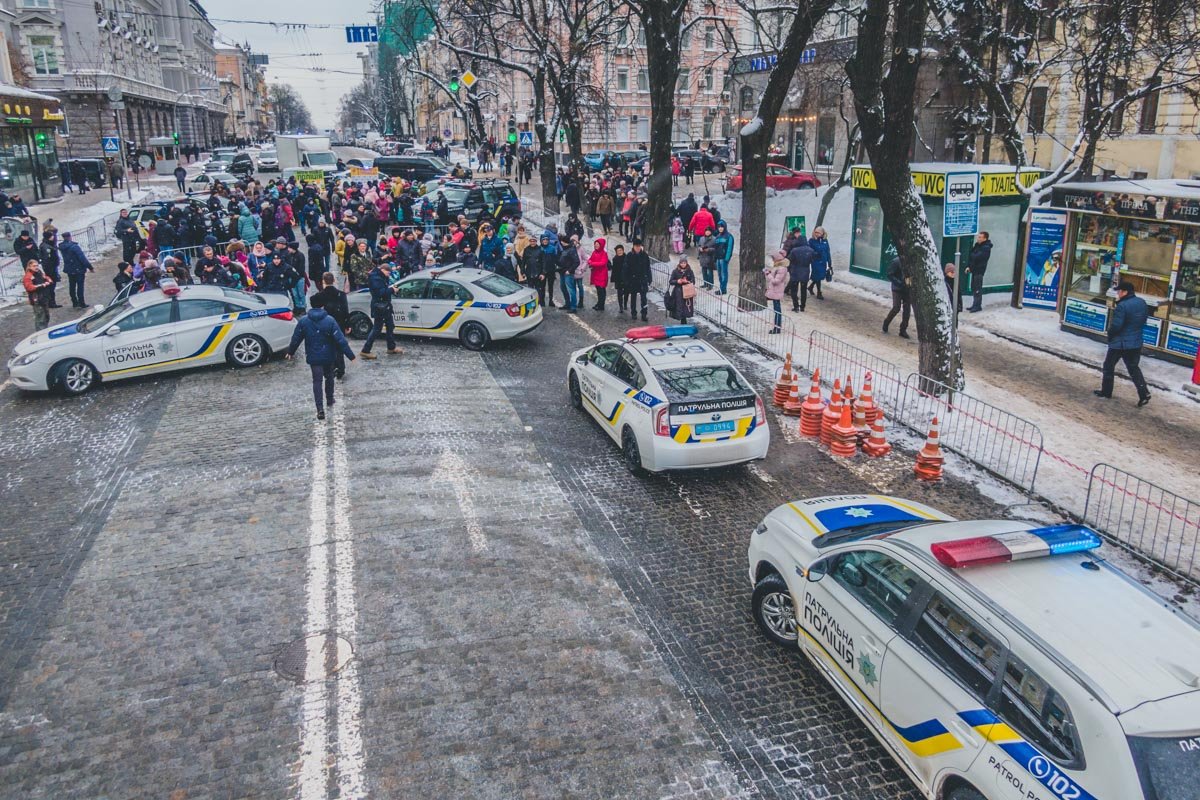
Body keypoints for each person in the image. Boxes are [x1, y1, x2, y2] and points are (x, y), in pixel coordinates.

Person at [286, 294, 356, 420]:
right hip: (328, 355)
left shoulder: (304, 321)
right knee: (329, 377)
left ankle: (319, 409)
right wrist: (350, 355)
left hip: (314, 356)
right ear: (322, 305)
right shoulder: (330, 320)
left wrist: (291, 351)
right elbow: (340, 340)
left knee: (317, 381)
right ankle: (330, 399)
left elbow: (296, 338)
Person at [1095, 280, 1151, 407]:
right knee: (1133, 368)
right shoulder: (1141, 302)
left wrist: (1110, 334)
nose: (1118, 294)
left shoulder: (1122, 306)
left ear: (1125, 292)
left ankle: (1106, 392)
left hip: (1120, 343)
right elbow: (1143, 320)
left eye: (1119, 291)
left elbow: (1116, 325)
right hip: (1136, 342)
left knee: (1108, 366)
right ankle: (1144, 393)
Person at [360, 261, 403, 359]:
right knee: (376, 329)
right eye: (388, 273)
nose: (389, 275)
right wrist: (392, 290)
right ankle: (365, 350)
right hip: (379, 307)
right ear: (383, 270)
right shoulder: (375, 278)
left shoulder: (380, 277)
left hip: (385, 306)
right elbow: (380, 293)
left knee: (390, 326)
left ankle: (391, 347)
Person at [59, 231, 93, 308]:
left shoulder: (62, 247)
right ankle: (81, 302)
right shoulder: (74, 247)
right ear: (70, 237)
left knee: (72, 286)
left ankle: (74, 302)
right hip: (78, 269)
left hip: (69, 269)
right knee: (80, 286)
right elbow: (82, 258)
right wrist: (90, 267)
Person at [882, 253, 912, 339]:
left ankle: (903, 330)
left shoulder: (912, 263)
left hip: (907, 289)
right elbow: (889, 274)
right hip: (897, 289)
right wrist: (899, 283)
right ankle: (886, 322)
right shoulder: (896, 261)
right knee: (896, 307)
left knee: (907, 310)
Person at [764, 250, 790, 334]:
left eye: (773, 259)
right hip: (775, 291)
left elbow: (776, 281)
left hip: (777, 291)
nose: (772, 260)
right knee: (776, 310)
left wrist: (768, 274)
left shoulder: (782, 268)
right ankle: (776, 327)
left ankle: (777, 328)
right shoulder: (778, 267)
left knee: (777, 311)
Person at [625, 238, 651, 322]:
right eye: (636, 246)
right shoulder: (629, 255)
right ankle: (633, 313)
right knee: (633, 297)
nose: (638, 248)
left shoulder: (645, 255)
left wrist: (649, 278)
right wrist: (627, 280)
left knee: (644, 298)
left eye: (639, 246)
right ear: (633, 246)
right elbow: (625, 269)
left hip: (643, 280)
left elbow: (648, 268)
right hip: (633, 280)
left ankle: (644, 314)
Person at [786, 235, 814, 312]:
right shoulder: (810, 250)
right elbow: (812, 260)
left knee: (794, 290)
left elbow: (789, 260)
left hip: (795, 272)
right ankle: (802, 306)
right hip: (805, 272)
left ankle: (796, 306)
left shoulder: (794, 250)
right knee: (803, 290)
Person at [22, 259, 52, 330]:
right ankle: (40, 333)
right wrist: (42, 285)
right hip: (36, 299)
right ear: (29, 266)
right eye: (34, 266)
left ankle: (44, 331)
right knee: (40, 319)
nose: (36, 267)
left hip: (44, 298)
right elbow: (29, 287)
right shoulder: (28, 276)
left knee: (46, 316)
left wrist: (48, 281)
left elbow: (47, 278)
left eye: (37, 265)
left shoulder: (39, 272)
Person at [966, 231, 992, 312]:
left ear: (985, 238)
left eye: (980, 237)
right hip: (974, 270)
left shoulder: (986, 247)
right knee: (974, 287)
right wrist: (969, 266)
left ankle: (977, 306)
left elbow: (977, 257)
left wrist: (973, 256)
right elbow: (971, 256)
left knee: (977, 288)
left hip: (979, 270)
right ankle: (975, 304)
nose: (978, 238)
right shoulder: (977, 246)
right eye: (978, 237)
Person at [667, 257, 696, 323]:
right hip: (678, 292)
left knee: (685, 307)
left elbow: (693, 281)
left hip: (687, 291)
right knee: (679, 306)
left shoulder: (690, 271)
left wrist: (688, 281)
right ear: (679, 263)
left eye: (684, 263)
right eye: (681, 263)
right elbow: (671, 281)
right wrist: (677, 281)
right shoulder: (675, 271)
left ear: (686, 263)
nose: (683, 264)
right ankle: (680, 318)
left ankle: (684, 320)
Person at [38, 230, 62, 308]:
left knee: (51, 286)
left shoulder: (47, 244)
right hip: (50, 269)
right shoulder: (46, 246)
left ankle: (50, 302)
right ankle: (51, 303)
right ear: (49, 237)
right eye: (52, 236)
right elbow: (46, 259)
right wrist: (51, 268)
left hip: (51, 268)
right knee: (51, 287)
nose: (53, 237)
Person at [557, 236, 580, 313]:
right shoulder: (565, 248)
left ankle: (573, 307)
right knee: (563, 287)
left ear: (564, 242)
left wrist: (569, 271)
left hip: (568, 273)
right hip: (562, 271)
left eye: (562, 241)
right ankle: (567, 303)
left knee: (571, 289)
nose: (561, 243)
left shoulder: (571, 249)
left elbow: (577, 262)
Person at [807, 226, 831, 299]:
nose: (817, 234)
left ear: (822, 233)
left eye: (818, 232)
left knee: (820, 276)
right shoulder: (811, 240)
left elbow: (827, 251)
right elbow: (809, 250)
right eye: (816, 232)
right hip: (815, 261)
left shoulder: (825, 241)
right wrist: (815, 253)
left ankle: (811, 287)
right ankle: (819, 292)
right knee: (818, 275)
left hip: (823, 261)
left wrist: (829, 262)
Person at [587, 238, 610, 311]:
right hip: (596, 273)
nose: (596, 246)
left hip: (602, 274)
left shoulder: (604, 253)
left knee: (601, 290)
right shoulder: (594, 252)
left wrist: (592, 263)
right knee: (598, 290)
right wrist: (590, 261)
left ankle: (601, 305)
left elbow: (603, 263)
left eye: (597, 244)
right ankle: (599, 303)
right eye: (595, 244)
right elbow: (590, 259)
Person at [713, 221, 734, 295]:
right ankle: (721, 287)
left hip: (723, 259)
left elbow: (729, 248)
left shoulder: (729, 236)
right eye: (719, 227)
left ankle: (723, 289)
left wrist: (727, 258)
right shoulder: (718, 236)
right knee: (719, 274)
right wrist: (715, 258)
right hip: (718, 258)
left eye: (722, 227)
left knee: (724, 274)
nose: (720, 228)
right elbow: (716, 248)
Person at [610, 244, 628, 313]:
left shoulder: (627, 258)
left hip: (626, 278)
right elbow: (614, 269)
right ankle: (621, 306)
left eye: (620, 250)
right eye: (618, 251)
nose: (619, 252)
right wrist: (613, 278)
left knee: (626, 292)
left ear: (623, 250)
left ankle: (625, 304)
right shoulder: (615, 259)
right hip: (618, 278)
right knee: (619, 293)